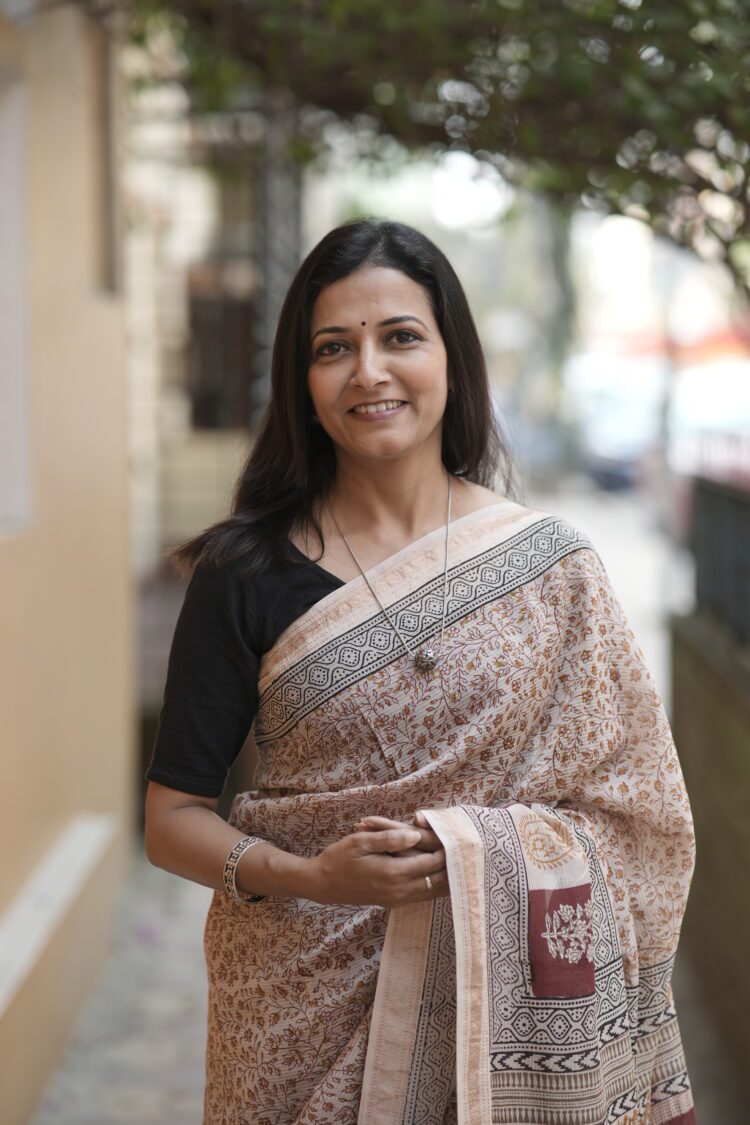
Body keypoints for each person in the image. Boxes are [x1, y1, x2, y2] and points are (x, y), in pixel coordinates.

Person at [144, 217, 697, 1125]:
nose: (369, 371)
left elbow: (640, 815)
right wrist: (314, 877)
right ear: (302, 380)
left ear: (452, 357)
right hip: (294, 1009)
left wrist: (483, 857)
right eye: (334, 347)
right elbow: (170, 821)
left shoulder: (552, 567)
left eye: (400, 336)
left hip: (508, 1016)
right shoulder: (244, 571)